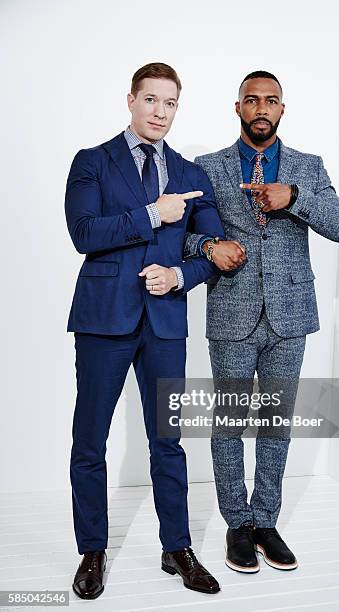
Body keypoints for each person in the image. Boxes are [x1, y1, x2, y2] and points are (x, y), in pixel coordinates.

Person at [64, 62, 239, 599]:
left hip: (164, 326)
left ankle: (176, 548)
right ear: (131, 101)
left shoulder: (191, 174)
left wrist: (180, 274)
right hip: (103, 320)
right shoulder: (92, 162)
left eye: (170, 103)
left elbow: (217, 251)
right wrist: (151, 214)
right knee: (89, 440)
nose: (160, 112)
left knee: (168, 441)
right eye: (151, 100)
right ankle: (92, 550)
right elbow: (83, 232)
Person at [183, 70, 339, 574]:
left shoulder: (307, 166)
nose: (261, 108)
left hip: (290, 315)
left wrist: (294, 197)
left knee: (276, 424)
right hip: (232, 312)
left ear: (282, 109)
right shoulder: (207, 167)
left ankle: (266, 520)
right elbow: (183, 238)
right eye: (252, 100)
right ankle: (237, 523)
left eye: (271, 101)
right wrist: (212, 247)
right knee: (231, 423)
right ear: (237, 107)